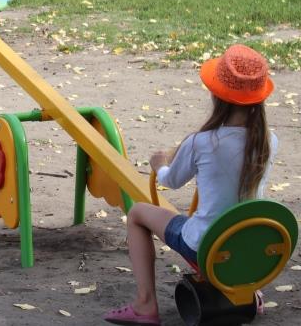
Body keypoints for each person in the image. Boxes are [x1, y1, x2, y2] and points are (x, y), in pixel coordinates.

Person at [104, 44, 277, 326]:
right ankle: (246, 287)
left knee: (137, 213)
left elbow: (171, 181)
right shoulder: (269, 141)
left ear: (216, 94)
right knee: (234, 219)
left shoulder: (202, 142)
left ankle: (145, 304)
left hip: (206, 245)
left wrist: (159, 164)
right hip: (248, 244)